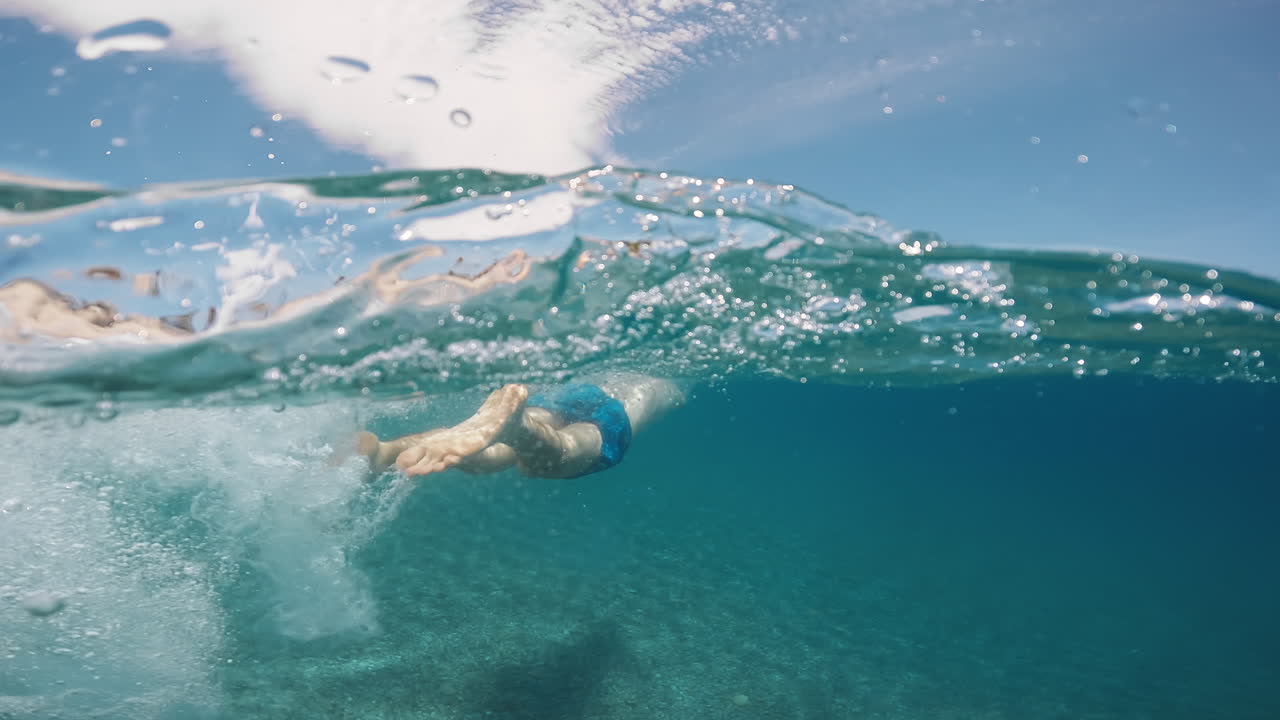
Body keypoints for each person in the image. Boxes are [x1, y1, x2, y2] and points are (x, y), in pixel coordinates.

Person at [355, 374, 684, 479]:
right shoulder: (669, 379)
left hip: (574, 388)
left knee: (499, 454)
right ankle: (518, 429)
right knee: (569, 447)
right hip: (622, 405)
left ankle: (386, 451)